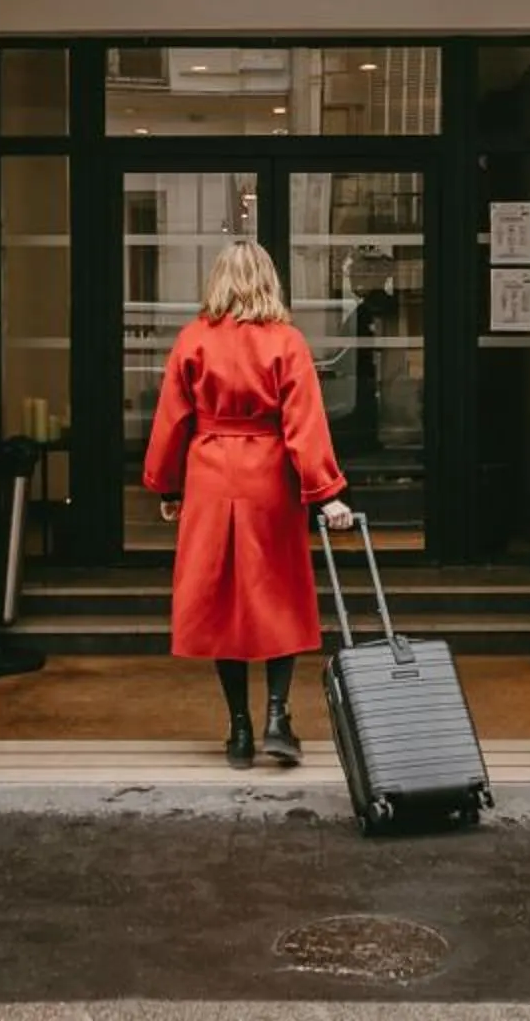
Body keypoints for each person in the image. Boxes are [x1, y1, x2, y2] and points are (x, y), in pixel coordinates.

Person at [143, 238, 357, 769]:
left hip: (210, 475)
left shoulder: (193, 340)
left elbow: (172, 420)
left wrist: (169, 487)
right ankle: (278, 717)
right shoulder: (285, 342)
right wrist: (327, 492)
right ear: (268, 280)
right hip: (268, 476)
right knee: (277, 592)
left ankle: (237, 728)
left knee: (220, 601)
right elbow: (303, 425)